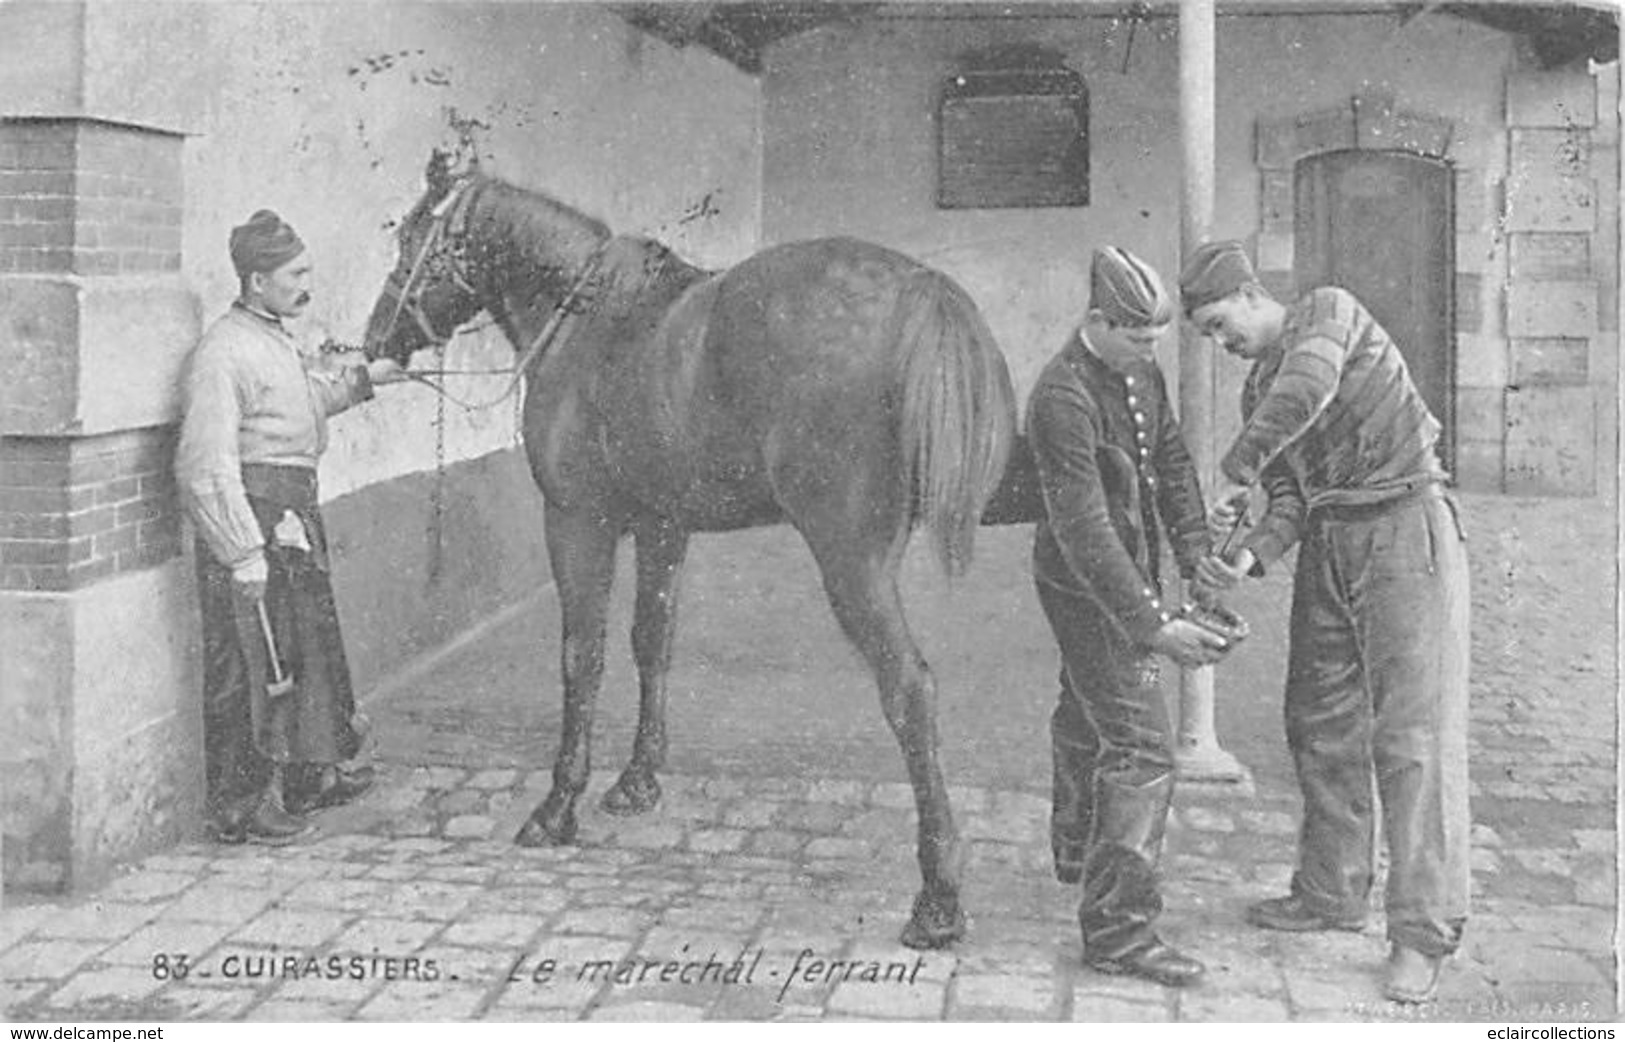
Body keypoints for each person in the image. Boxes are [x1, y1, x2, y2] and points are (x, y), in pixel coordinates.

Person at [1182, 240, 1470, 1004]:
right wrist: (1241, 558)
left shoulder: (1327, 313)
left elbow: (1305, 392)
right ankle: (1331, 891)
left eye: (1219, 325)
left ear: (1249, 293)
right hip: (1330, 545)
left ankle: (1419, 935)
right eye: (1208, 337)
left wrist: (1235, 466)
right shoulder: (1257, 393)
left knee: (1411, 738)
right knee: (1319, 722)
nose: (1222, 344)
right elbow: (1288, 501)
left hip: (1406, 525)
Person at [1027, 246, 1231, 988]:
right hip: (1086, 588)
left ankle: (1077, 851)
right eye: (1138, 337)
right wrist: (1153, 626)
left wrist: (1197, 553)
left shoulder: (1136, 369)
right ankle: (1118, 930)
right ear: (1096, 322)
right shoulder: (1061, 396)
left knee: (1087, 715)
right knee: (1143, 750)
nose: (1151, 351)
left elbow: (1171, 465)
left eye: (1156, 339)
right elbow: (1083, 530)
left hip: (1124, 575)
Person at [176, 209, 404, 844]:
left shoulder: (272, 336)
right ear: (255, 280)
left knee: (307, 651)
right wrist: (242, 551)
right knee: (252, 663)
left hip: (292, 514)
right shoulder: (223, 350)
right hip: (253, 521)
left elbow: (295, 408)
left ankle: (309, 779)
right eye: (295, 273)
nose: (308, 283)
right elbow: (203, 463)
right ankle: (241, 805)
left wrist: (363, 382)